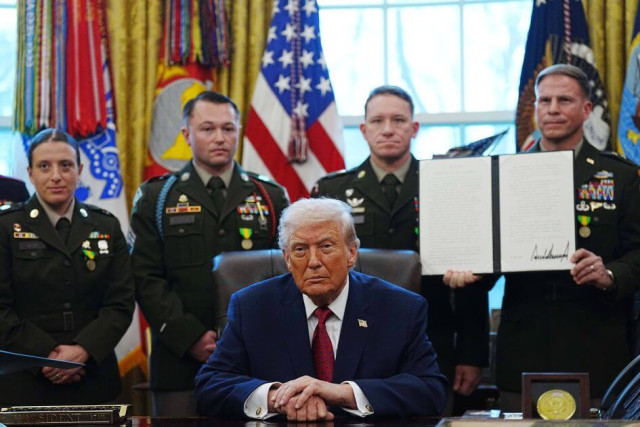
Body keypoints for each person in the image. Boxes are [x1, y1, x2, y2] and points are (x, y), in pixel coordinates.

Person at [444, 64, 640, 410]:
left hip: (596, 347)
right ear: (534, 107)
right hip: (524, 346)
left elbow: (637, 252)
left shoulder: (620, 176)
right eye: (544, 100)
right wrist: (469, 272)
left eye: (564, 100)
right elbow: (489, 258)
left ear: (586, 110)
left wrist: (609, 274)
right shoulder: (502, 175)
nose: (552, 109)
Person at [194, 198, 448, 421]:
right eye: (300, 249)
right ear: (287, 259)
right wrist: (279, 399)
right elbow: (210, 386)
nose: (313, 262)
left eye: (326, 246)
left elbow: (430, 390)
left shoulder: (399, 308)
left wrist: (342, 393)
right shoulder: (252, 306)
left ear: (351, 253)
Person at [311, 85, 489, 402]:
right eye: (378, 121)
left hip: (431, 336)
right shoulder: (333, 190)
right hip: (353, 336)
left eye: (398, 120)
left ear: (414, 127)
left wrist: (471, 353)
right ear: (364, 130)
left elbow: (468, 279)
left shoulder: (448, 184)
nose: (388, 129)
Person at [130, 91, 289, 416]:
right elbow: (145, 277)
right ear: (187, 134)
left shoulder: (270, 196)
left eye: (228, 128)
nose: (219, 137)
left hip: (256, 358)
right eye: (207, 129)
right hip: (179, 360)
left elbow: (284, 274)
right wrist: (189, 337)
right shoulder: (157, 197)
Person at [0, 129, 135, 405]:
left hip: (94, 379)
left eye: (65, 165)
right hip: (26, 381)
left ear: (79, 170)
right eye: (44, 166)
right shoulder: (5, 227)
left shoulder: (106, 225)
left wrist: (83, 350)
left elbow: (120, 303)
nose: (56, 176)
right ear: (30, 173)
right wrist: (47, 355)